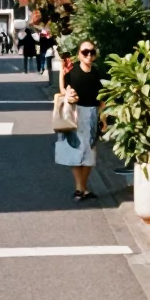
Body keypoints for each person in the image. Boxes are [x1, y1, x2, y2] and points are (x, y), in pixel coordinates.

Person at [55, 41, 103, 202]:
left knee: (90, 153)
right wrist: (62, 74)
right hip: (75, 113)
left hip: (92, 114)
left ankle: (82, 188)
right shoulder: (72, 71)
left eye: (92, 52)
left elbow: (101, 97)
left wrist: (103, 117)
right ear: (79, 55)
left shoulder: (96, 72)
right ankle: (80, 188)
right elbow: (63, 91)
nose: (89, 55)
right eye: (85, 52)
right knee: (75, 151)